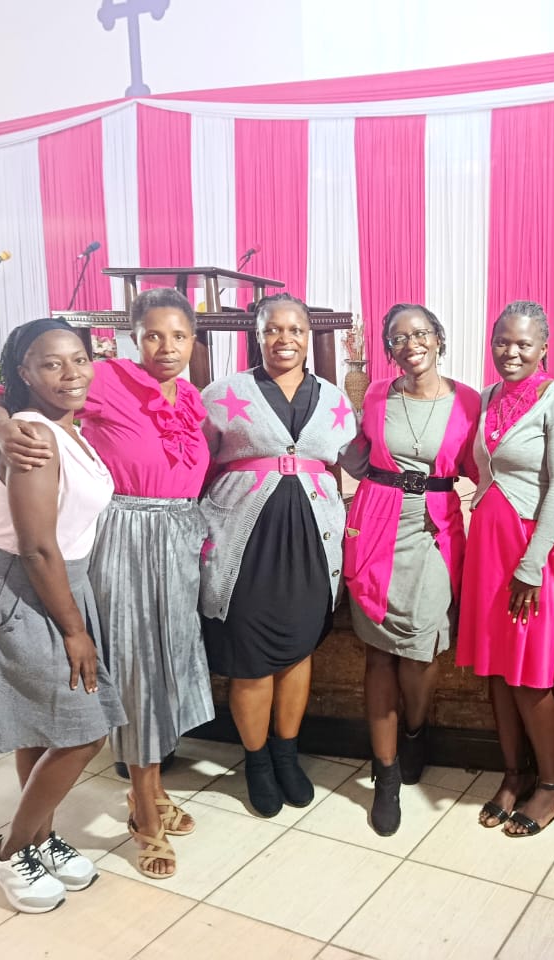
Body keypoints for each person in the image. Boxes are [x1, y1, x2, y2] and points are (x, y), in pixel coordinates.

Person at [0, 288, 214, 880]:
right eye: (153, 335)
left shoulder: (189, 395)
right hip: (126, 542)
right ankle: (142, 812)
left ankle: (149, 789)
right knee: (134, 670)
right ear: (134, 337)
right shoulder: (105, 378)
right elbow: (4, 394)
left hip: (175, 542)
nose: (167, 347)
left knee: (164, 668)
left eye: (179, 335)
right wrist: (0, 428)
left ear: (194, 340)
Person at [0, 318, 124, 913]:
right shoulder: (32, 437)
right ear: (24, 373)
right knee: (85, 730)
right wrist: (75, 630)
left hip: (58, 582)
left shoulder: (62, 428)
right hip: (25, 589)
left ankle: (41, 838)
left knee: (41, 726)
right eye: (51, 363)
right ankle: (9, 851)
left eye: (79, 358)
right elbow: (37, 547)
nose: (71, 372)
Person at [199, 293, 357, 819]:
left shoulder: (334, 398)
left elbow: (354, 458)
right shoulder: (223, 393)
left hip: (311, 539)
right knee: (251, 658)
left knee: (298, 651)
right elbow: (196, 460)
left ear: (308, 336)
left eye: (295, 330)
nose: (284, 339)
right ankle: (257, 762)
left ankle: (287, 754)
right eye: (272, 329)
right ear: (257, 334)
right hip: (245, 543)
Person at [341, 303, 481, 836]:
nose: (410, 344)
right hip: (377, 524)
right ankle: (386, 774)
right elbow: (354, 455)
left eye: (420, 333)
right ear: (388, 350)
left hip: (434, 529)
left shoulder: (469, 401)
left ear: (439, 338)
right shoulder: (376, 395)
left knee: (421, 651)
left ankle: (416, 731)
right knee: (378, 653)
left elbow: (484, 466)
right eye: (398, 338)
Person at [455, 300, 554, 838]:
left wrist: (532, 565)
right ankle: (514, 773)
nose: (510, 352)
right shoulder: (488, 397)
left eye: (523, 344)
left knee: (529, 675)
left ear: (544, 348)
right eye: (502, 342)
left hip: (532, 549)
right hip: (488, 546)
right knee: (497, 670)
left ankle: (553, 781)